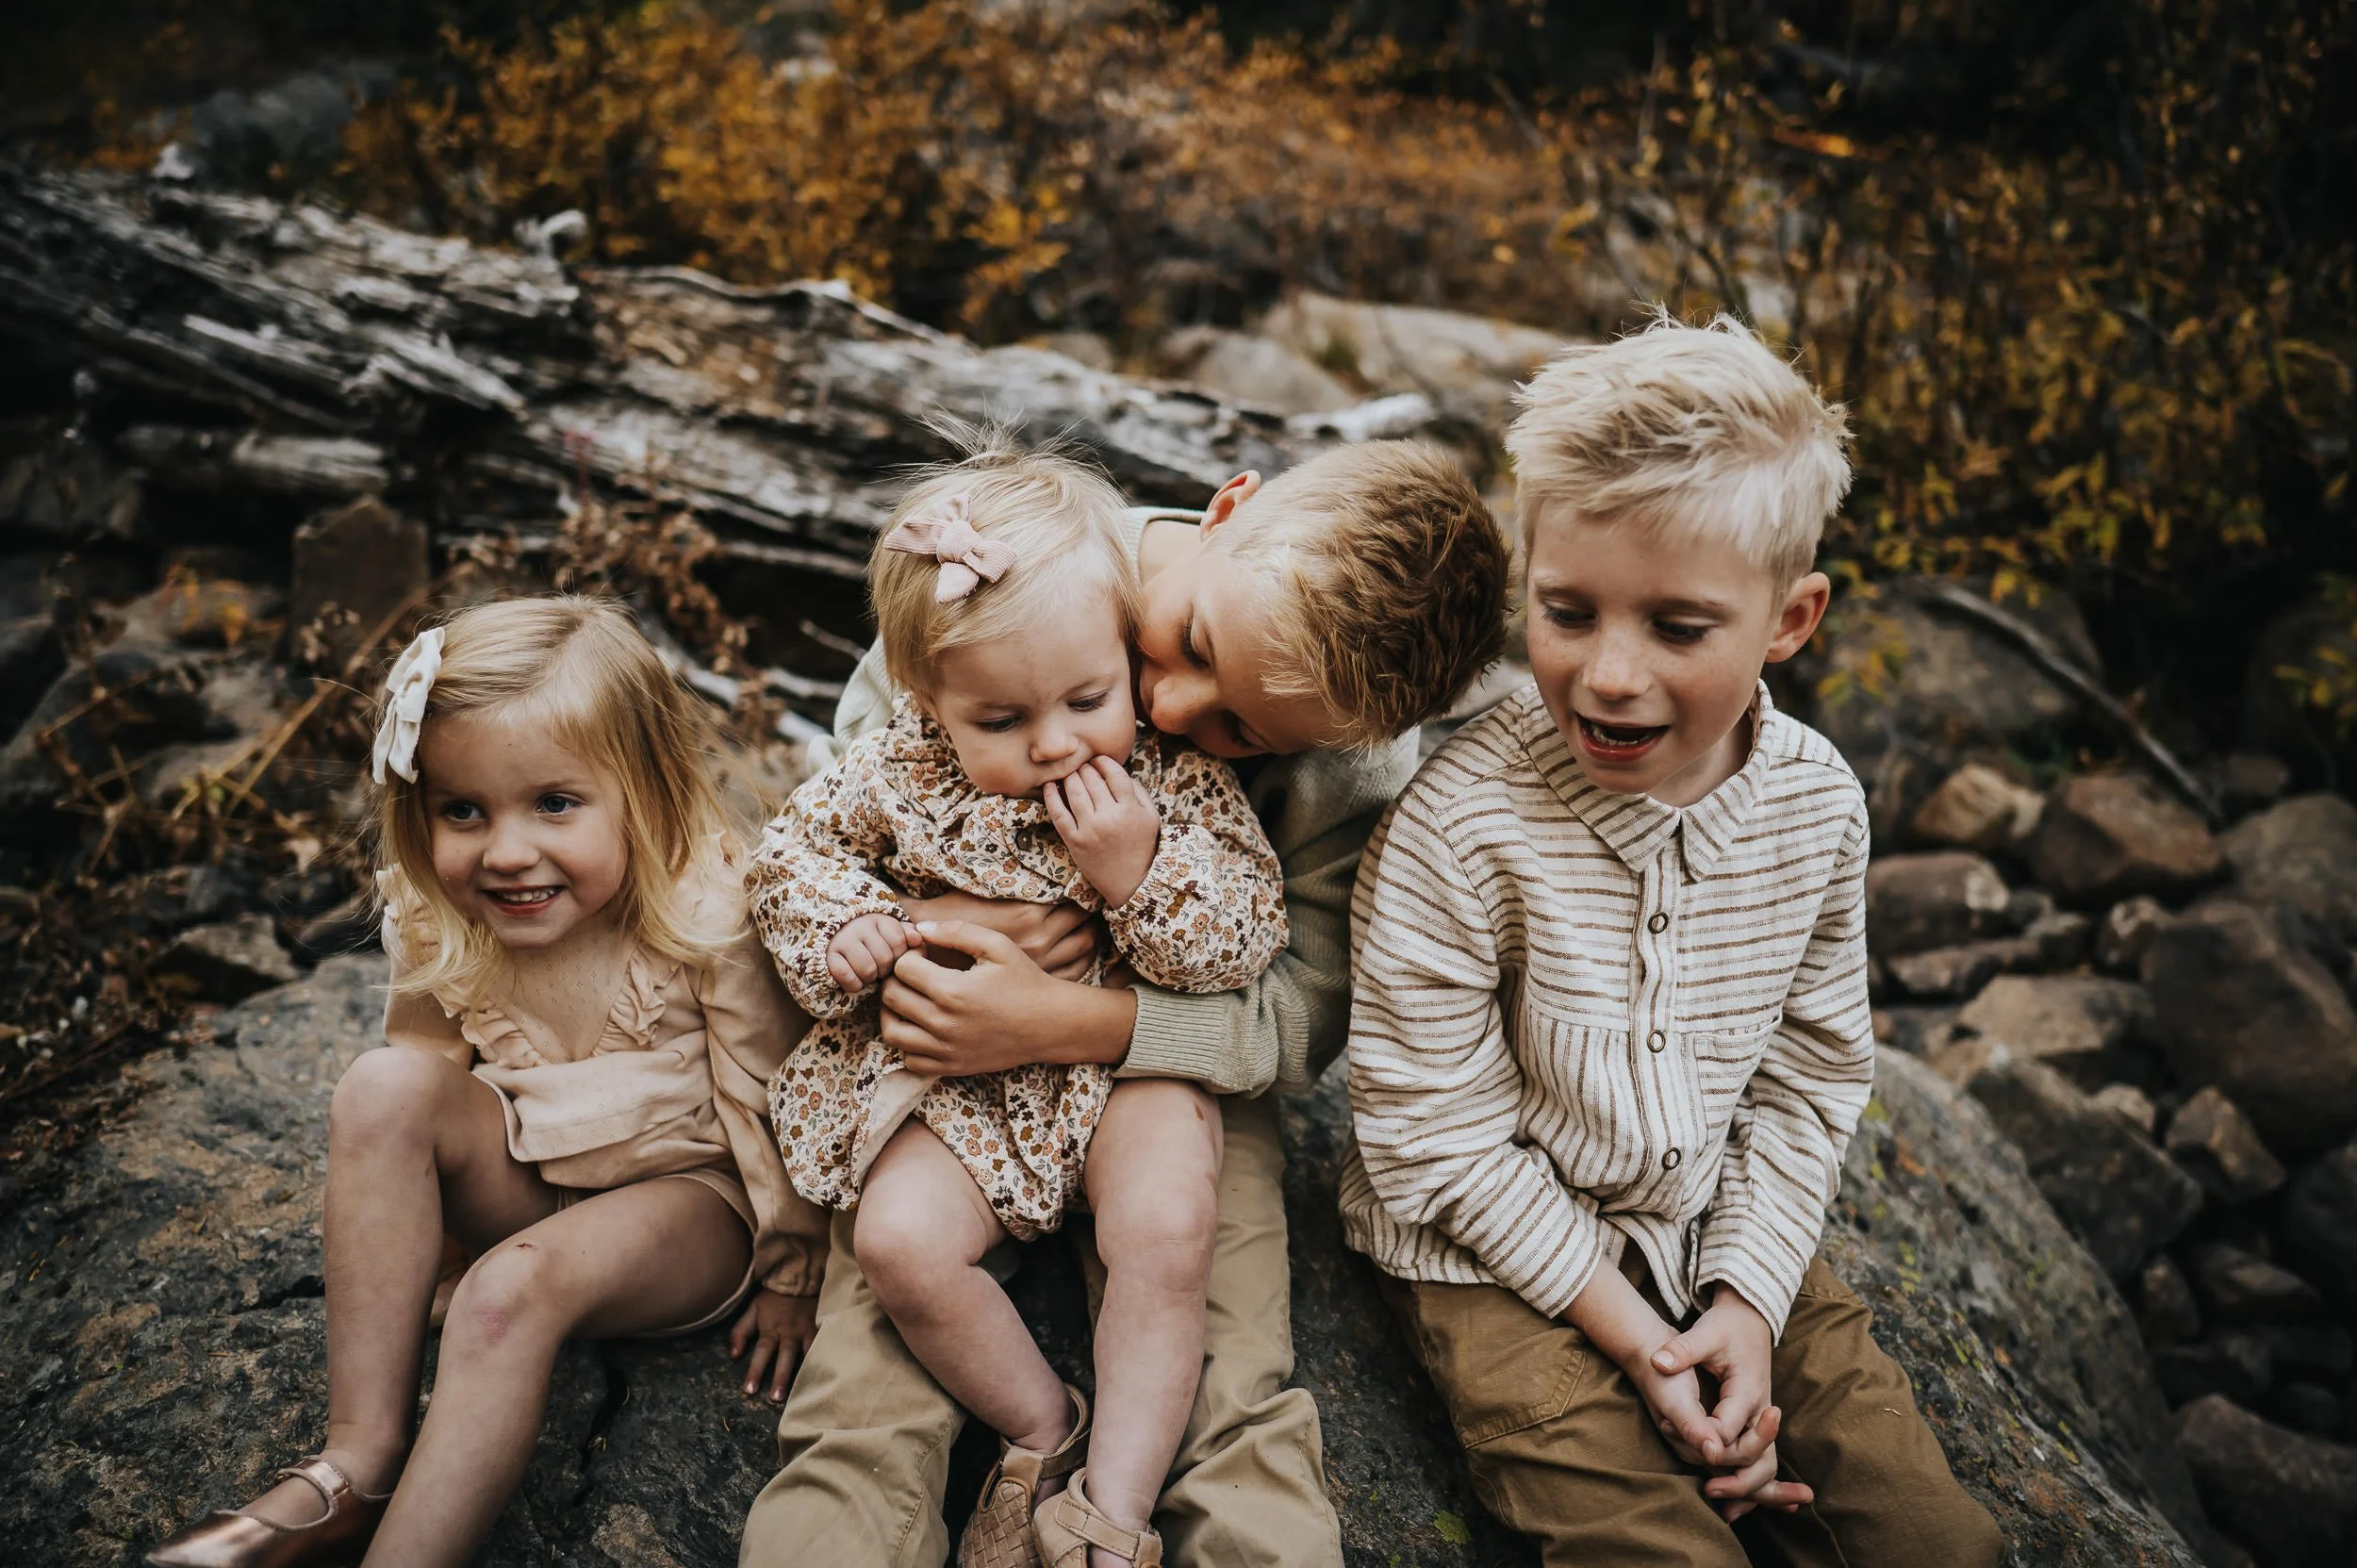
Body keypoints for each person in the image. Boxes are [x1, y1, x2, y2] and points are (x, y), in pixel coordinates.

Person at [737, 433, 1513, 1568]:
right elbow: (855, 806)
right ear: (1225, 506)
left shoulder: (1355, 772)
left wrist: (1082, 1015)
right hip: (953, 1038)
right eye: (1189, 643)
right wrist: (945, 933)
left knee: (1228, 1356)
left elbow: (1295, 1014)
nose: (1168, 699)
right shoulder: (1010, 566)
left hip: (1181, 1057)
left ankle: (1128, 1524)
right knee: (870, 1355)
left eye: (1241, 730)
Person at [1340, 314, 2004, 1567]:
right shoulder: (1462, 818)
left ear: (1790, 618)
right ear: (1525, 572)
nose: (1609, 674)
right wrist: (1640, 1341)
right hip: (1484, 1250)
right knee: (1665, 1550)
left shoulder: (1813, 805)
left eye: (1680, 628)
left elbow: (1809, 1075)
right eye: (1568, 611)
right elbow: (1431, 1135)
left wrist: (1746, 1300)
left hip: (1706, 1217)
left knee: (1938, 1539)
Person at [147, 597, 824, 1568]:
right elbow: (427, 1080)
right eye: (463, 810)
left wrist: (794, 1277)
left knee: (506, 1293)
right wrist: (421, 1237)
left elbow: (774, 1104)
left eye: (555, 803)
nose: (505, 851)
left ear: (645, 791)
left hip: (690, 1203)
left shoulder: (707, 910)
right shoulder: (438, 912)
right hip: (527, 1167)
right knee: (381, 1085)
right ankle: (355, 1461)